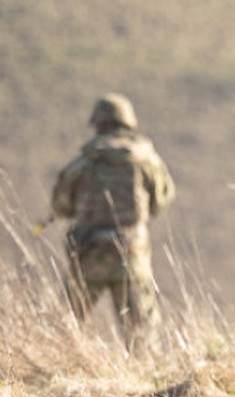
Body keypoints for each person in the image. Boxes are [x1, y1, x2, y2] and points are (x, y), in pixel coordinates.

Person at [52, 93, 176, 352]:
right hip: (132, 255)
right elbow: (162, 200)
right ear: (129, 123)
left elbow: (61, 205)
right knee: (143, 336)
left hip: (88, 255)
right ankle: (145, 385)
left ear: (97, 123)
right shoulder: (145, 160)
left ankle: (53, 375)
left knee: (64, 329)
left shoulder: (84, 162)